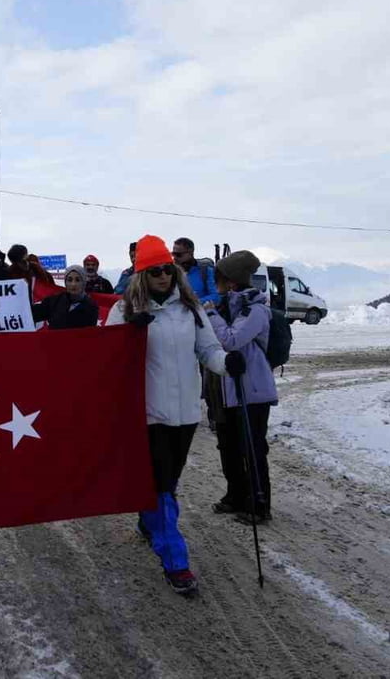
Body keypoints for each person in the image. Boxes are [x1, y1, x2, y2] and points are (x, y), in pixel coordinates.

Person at [104, 235, 232, 596]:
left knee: (167, 483)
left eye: (169, 269)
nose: (164, 276)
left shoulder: (190, 309)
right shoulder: (124, 310)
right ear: (143, 274)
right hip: (148, 414)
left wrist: (227, 364)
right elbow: (107, 355)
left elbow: (208, 350)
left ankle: (149, 520)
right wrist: (131, 331)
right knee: (162, 487)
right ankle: (175, 561)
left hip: (186, 413)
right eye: (156, 270)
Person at [204, 250, 278, 524]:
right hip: (228, 391)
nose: (216, 282)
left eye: (220, 277)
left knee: (253, 448)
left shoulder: (255, 310)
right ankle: (235, 495)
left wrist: (211, 315)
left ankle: (259, 504)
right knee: (230, 446)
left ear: (232, 280)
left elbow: (232, 340)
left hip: (252, 392)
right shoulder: (231, 305)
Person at [31, 264, 98, 329]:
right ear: (65, 282)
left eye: (77, 280)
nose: (73, 284)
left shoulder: (91, 307)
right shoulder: (54, 301)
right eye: (69, 280)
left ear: (84, 282)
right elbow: (31, 315)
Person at [173, 237, 220, 307]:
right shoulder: (170, 272)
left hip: (202, 312)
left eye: (178, 254)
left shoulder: (205, 270)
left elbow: (216, 296)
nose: (175, 257)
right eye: (173, 254)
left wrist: (194, 302)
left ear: (190, 253)